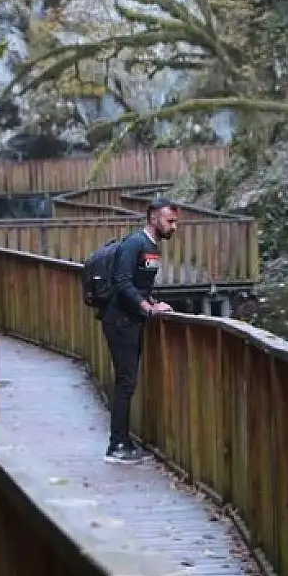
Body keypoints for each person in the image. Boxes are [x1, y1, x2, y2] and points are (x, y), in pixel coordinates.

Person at [101, 197, 179, 464]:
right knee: (126, 382)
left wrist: (153, 302)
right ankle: (116, 445)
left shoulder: (152, 247)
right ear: (154, 217)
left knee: (128, 381)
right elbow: (122, 282)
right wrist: (146, 307)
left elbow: (140, 283)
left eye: (175, 221)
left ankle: (123, 439)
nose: (174, 226)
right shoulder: (135, 243)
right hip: (120, 320)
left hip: (133, 320)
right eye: (170, 221)